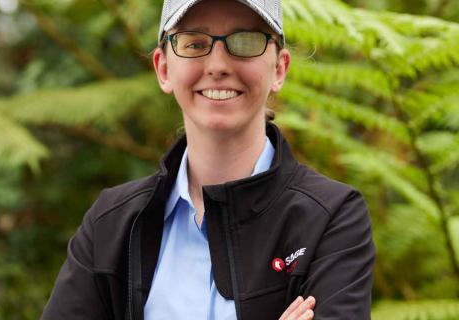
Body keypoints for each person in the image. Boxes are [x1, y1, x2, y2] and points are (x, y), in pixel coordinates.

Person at [41, 0, 375, 319]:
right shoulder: (111, 224)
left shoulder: (331, 217)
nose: (217, 66)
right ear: (163, 68)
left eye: (244, 41)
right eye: (194, 43)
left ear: (279, 68)